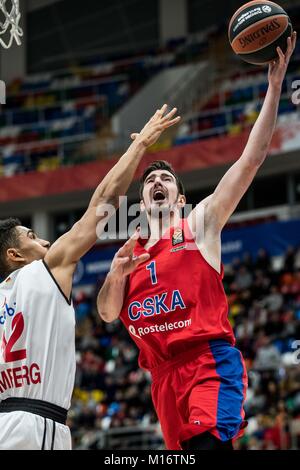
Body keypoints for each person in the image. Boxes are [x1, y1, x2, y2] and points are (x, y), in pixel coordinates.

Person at [97, 34, 297, 450]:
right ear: (141, 200)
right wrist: (115, 276)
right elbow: (107, 314)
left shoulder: (200, 225)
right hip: (162, 378)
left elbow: (250, 160)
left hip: (208, 363)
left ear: (180, 199)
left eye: (165, 180)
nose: (156, 182)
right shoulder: (127, 253)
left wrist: (274, 88)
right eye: (150, 180)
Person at [0, 104, 180, 450]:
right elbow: (104, 204)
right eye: (32, 237)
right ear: (14, 255)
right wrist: (140, 144)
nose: (46, 241)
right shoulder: (46, 269)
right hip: (36, 425)